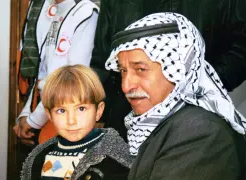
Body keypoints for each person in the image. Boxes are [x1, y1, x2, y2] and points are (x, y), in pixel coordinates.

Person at [105, 13, 246, 179]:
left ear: (179, 70)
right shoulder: (164, 121)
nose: (126, 85)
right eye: (123, 71)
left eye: (141, 69)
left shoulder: (200, 133)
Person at [91, 0, 246, 141]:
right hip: (124, 121)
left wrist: (196, 85)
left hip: (193, 123)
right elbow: (102, 59)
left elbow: (241, 47)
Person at [21, 64, 133, 180]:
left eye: (81, 109)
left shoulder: (115, 157)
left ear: (98, 111)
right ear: (50, 115)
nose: (71, 120)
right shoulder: (39, 157)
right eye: (61, 110)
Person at [13, 0, 99, 145]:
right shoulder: (54, 10)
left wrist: (33, 121)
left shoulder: (86, 12)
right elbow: (40, 72)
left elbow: (72, 81)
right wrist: (26, 115)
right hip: (45, 111)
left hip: (66, 115)